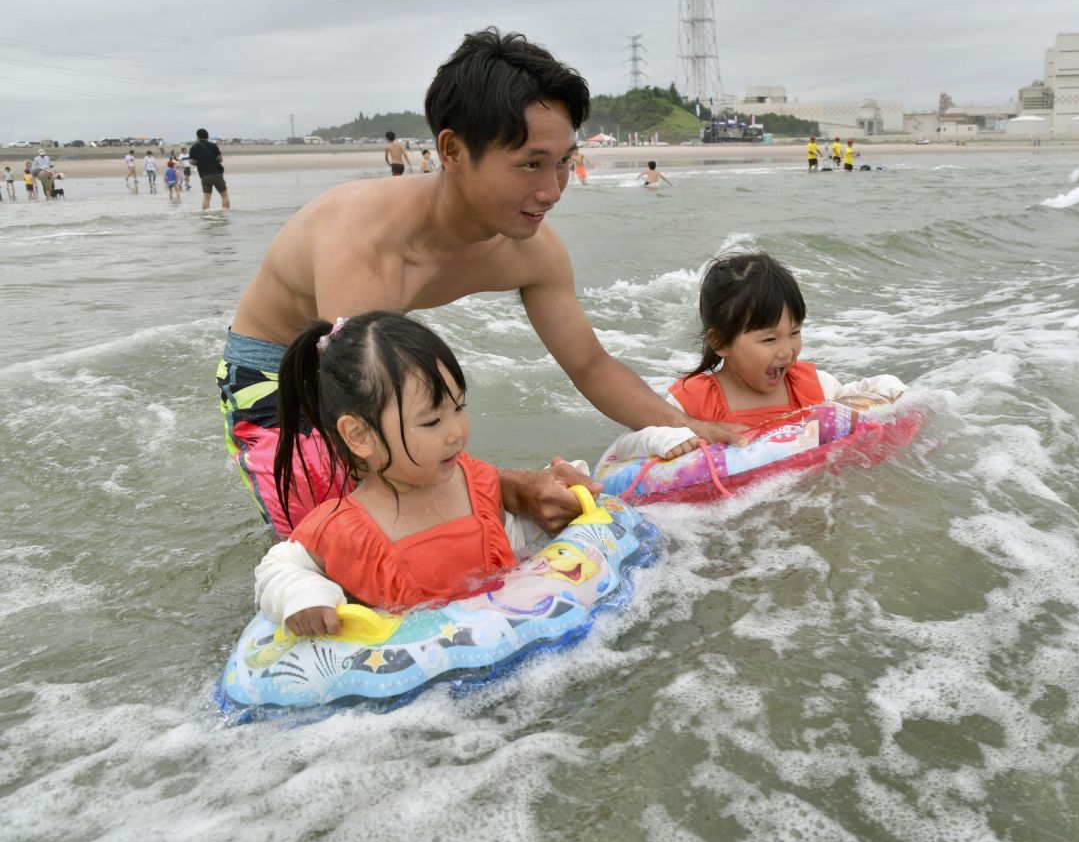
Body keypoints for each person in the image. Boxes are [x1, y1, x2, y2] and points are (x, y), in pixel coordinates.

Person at [218, 28, 739, 541]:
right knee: (341, 532)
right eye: (530, 164)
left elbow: (590, 365)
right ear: (453, 150)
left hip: (375, 382)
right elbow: (374, 419)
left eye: (564, 163)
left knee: (437, 513)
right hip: (278, 373)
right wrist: (515, 488)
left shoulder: (531, 248)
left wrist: (691, 427)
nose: (551, 190)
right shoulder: (365, 245)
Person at [252, 311, 568, 635]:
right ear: (359, 435)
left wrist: (562, 496)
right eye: (431, 421)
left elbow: (521, 544)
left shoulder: (478, 484)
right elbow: (280, 567)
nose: (455, 432)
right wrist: (304, 596)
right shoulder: (344, 529)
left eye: (459, 407)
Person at [599, 252, 907, 460]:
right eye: (770, 338)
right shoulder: (693, 402)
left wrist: (886, 386)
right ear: (720, 343)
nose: (787, 351)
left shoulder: (810, 386)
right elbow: (622, 450)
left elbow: (853, 397)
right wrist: (660, 440)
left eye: (795, 333)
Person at [188, 128, 229, 209]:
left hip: (204, 175)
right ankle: (225, 215)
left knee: (206, 198)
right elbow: (221, 159)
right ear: (207, 136)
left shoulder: (194, 147)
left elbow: (191, 162)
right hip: (216, 174)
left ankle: (206, 216)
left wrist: (199, 163)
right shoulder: (213, 146)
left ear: (197, 137)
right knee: (224, 196)